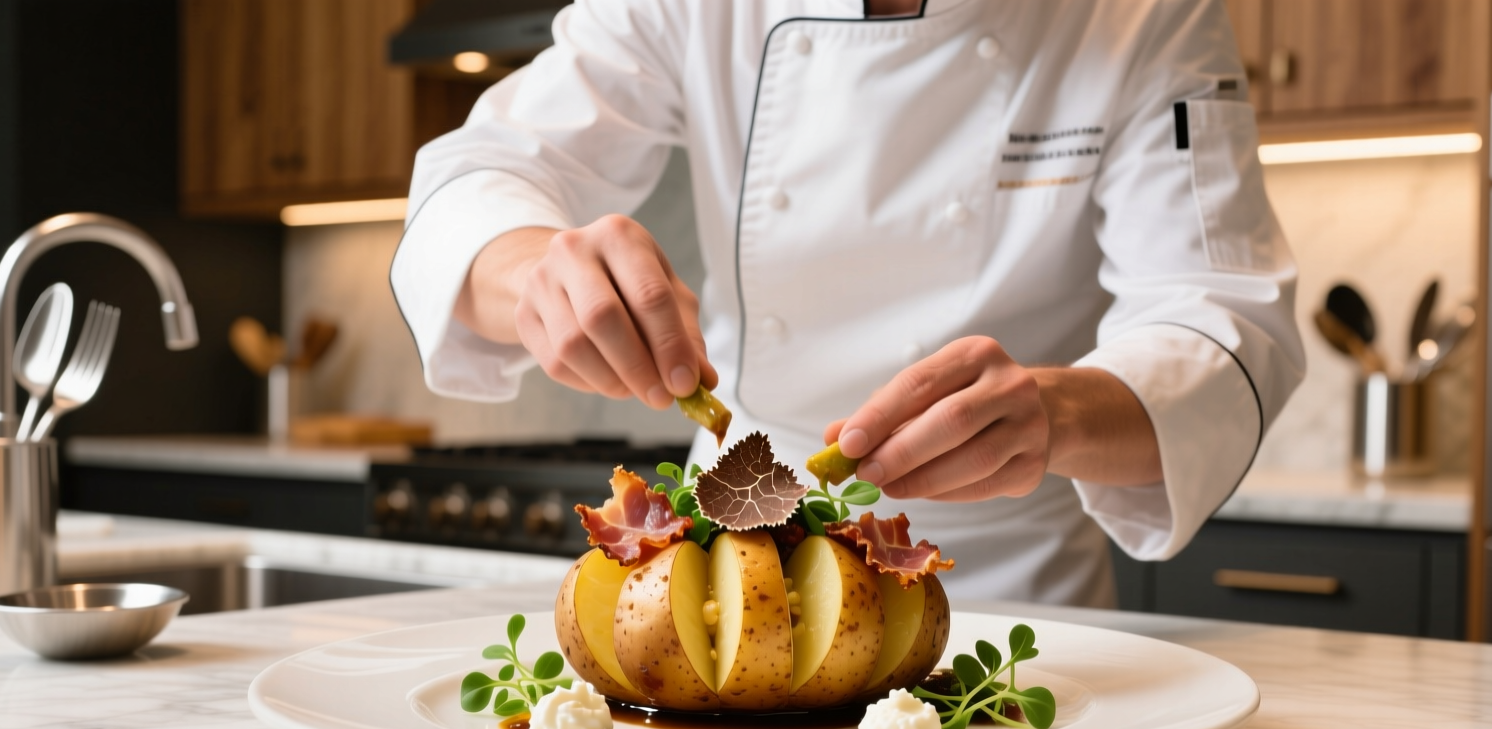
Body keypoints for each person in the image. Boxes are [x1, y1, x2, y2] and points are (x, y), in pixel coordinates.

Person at [390, 0, 1304, 605]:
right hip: (733, 564)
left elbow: (1223, 321)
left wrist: (1050, 414)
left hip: (1010, 595)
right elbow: (485, 174)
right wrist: (536, 275)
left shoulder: (1138, 12)